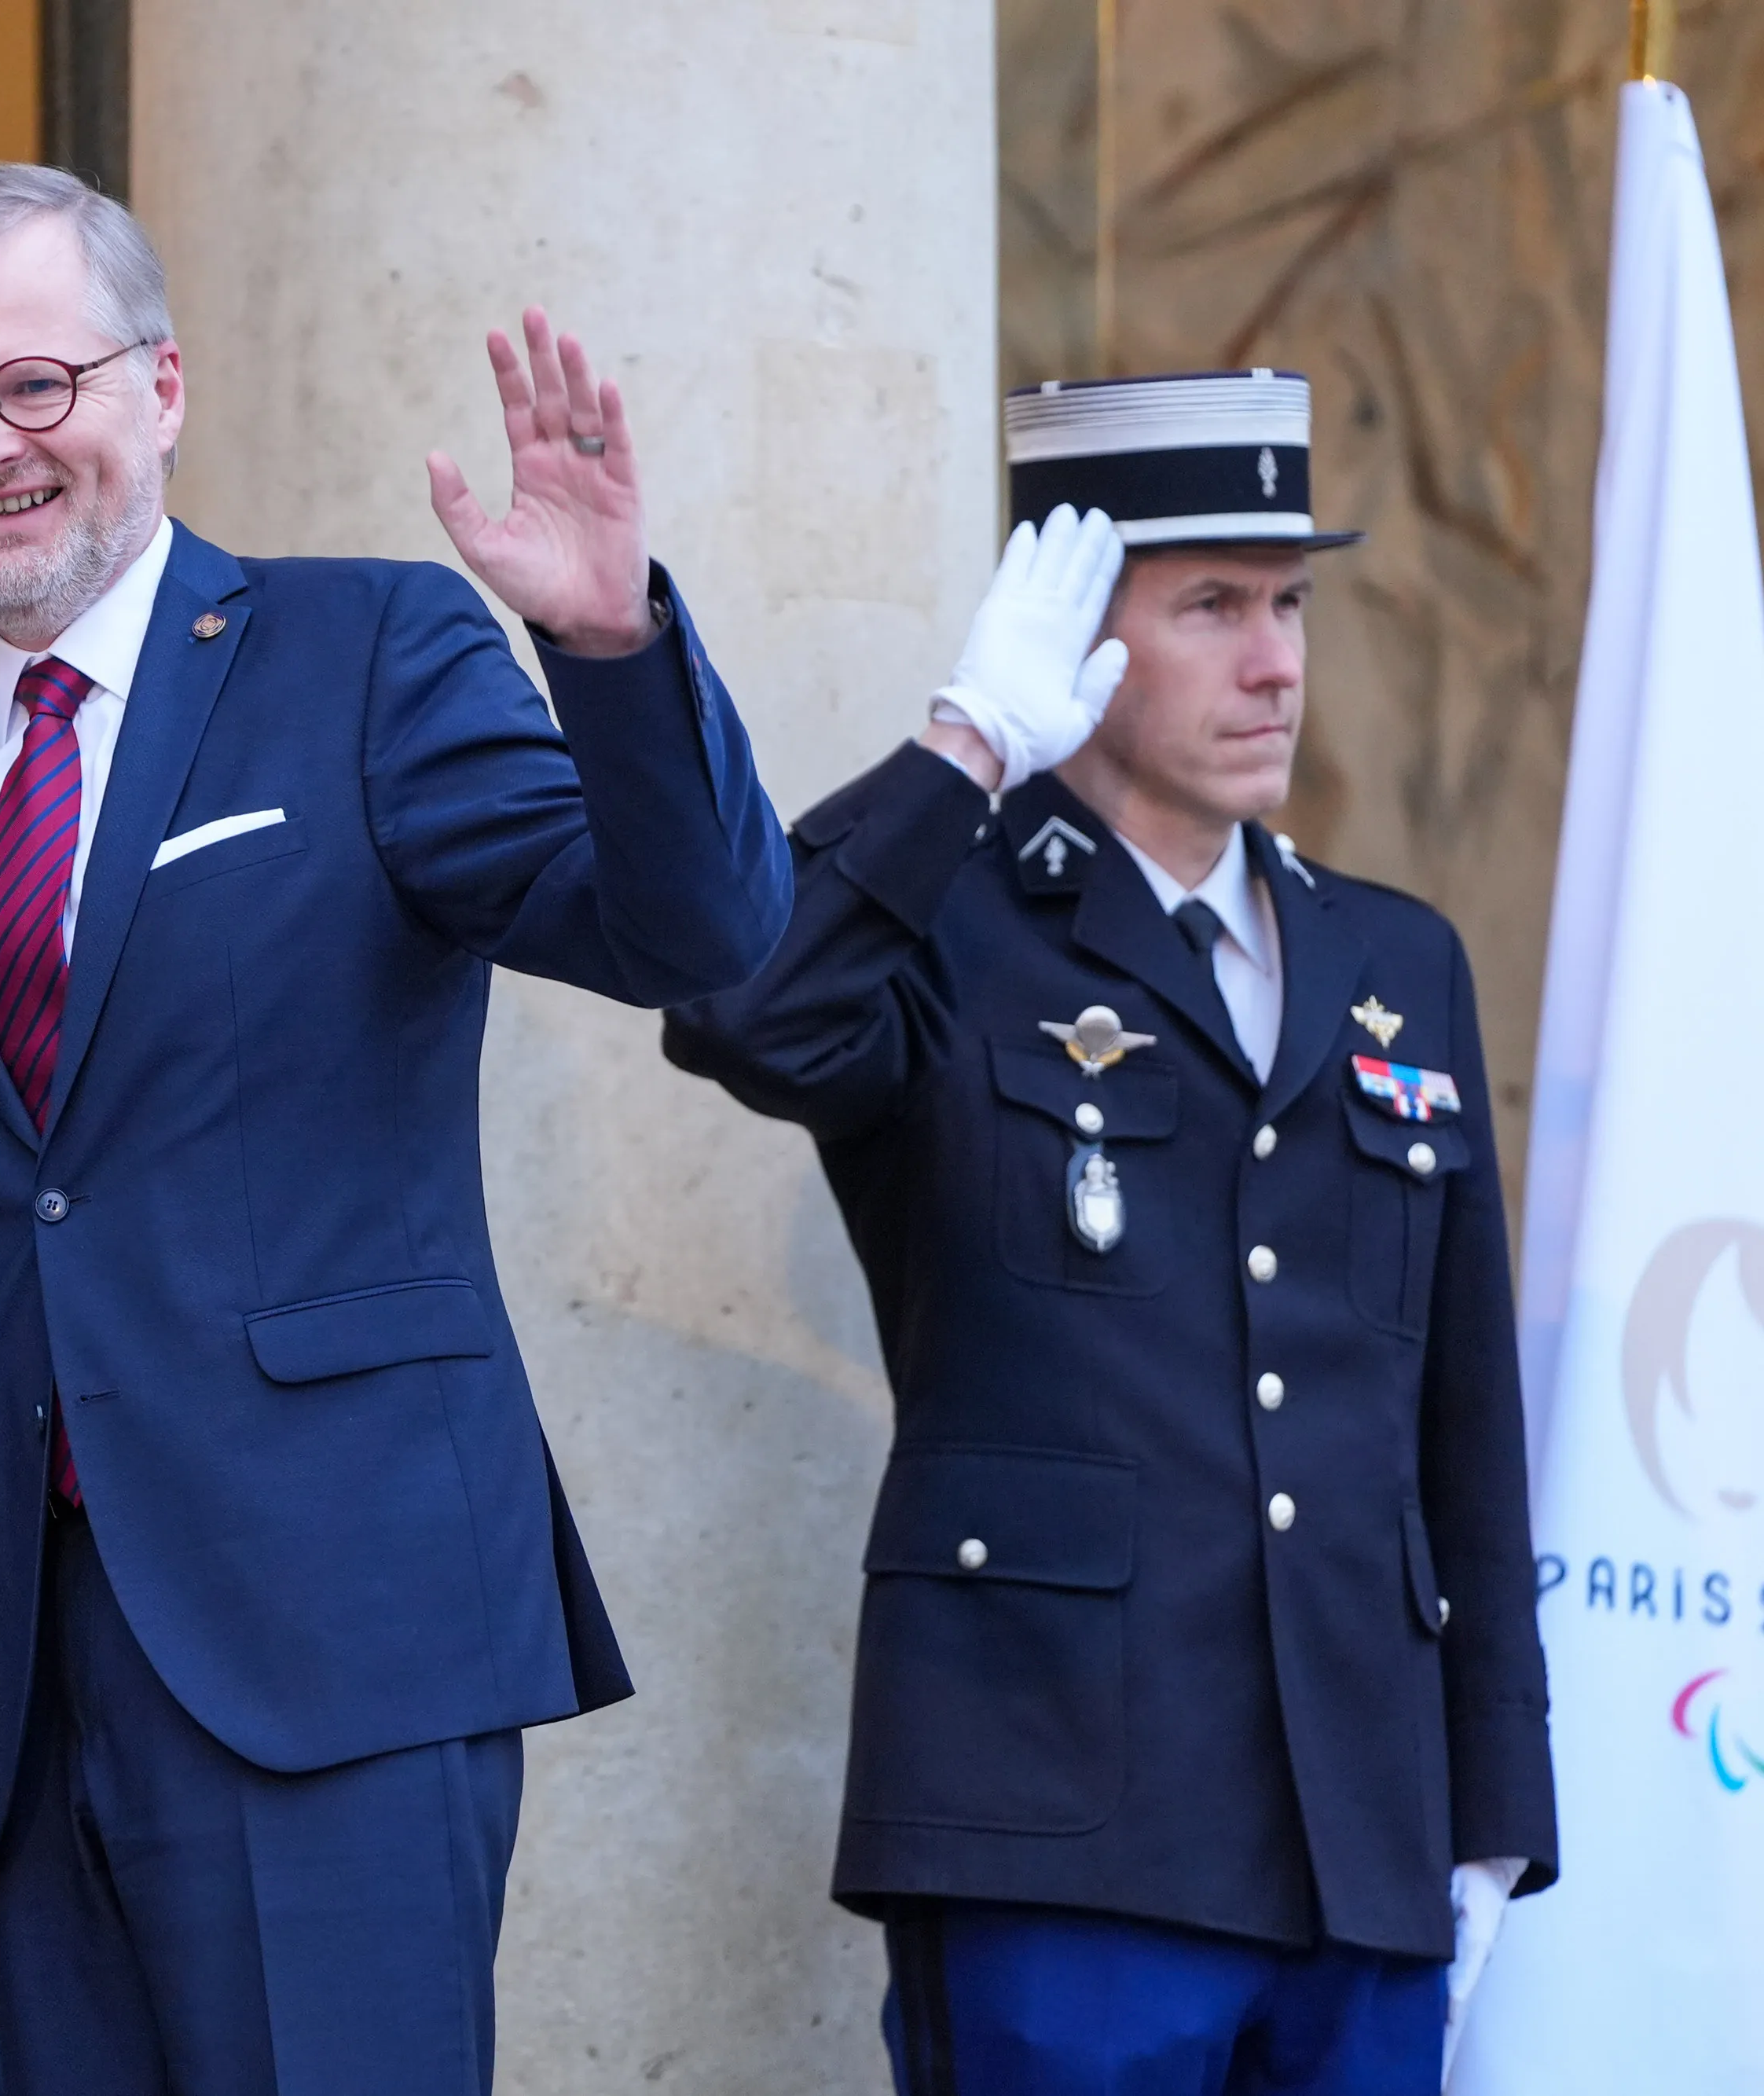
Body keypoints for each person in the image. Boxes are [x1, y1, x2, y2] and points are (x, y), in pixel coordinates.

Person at [0, 162, 791, 2094]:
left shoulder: (362, 658)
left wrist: (608, 654)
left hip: (340, 1655)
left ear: (162, 387)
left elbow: (688, 935)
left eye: (37, 384)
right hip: (43, 1690)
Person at [661, 370, 1557, 2094]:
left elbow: (1460, 1428)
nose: (1274, 659)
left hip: (1359, 1841)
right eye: (1209, 605)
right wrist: (964, 746)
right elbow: (741, 1012)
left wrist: (1492, 1805)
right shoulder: (951, 928)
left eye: (1286, 604)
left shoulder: (1394, 961)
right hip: (1053, 1831)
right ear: (1073, 626)